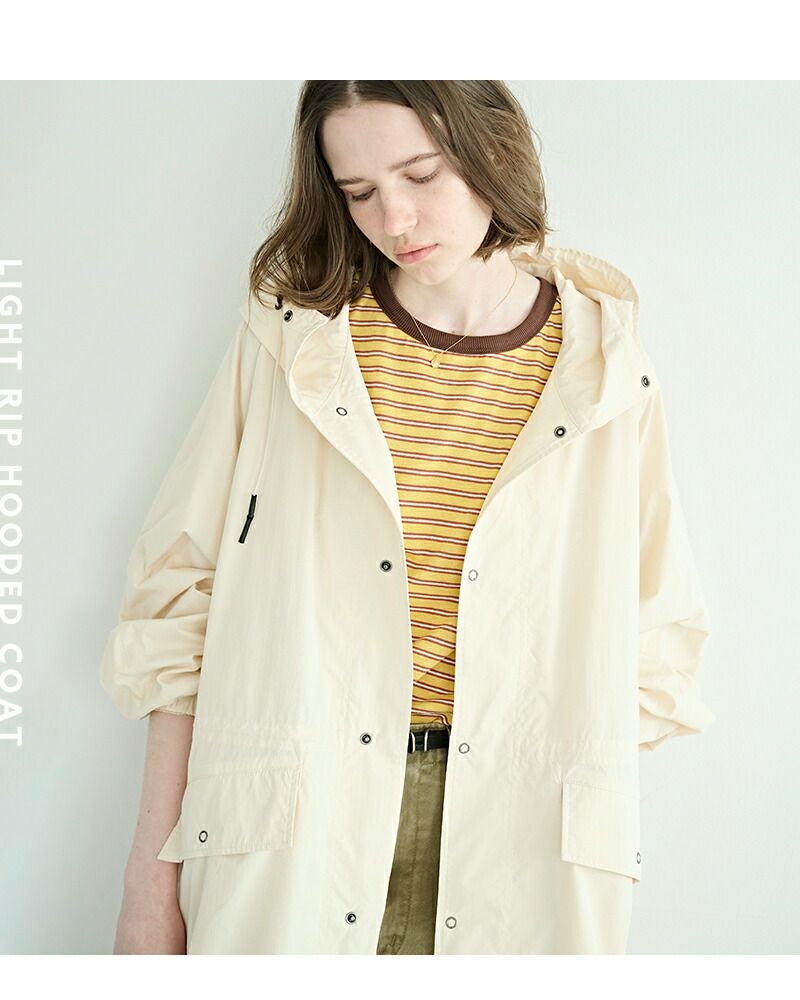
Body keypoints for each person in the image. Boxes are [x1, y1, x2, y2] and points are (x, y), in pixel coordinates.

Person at [103, 81, 715, 955]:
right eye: (358, 192)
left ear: (490, 149)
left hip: (519, 834)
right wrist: (146, 880)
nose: (393, 219)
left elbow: (657, 639)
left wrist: (548, 759)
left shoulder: (607, 366)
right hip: (302, 818)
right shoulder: (293, 341)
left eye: (420, 174)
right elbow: (178, 600)